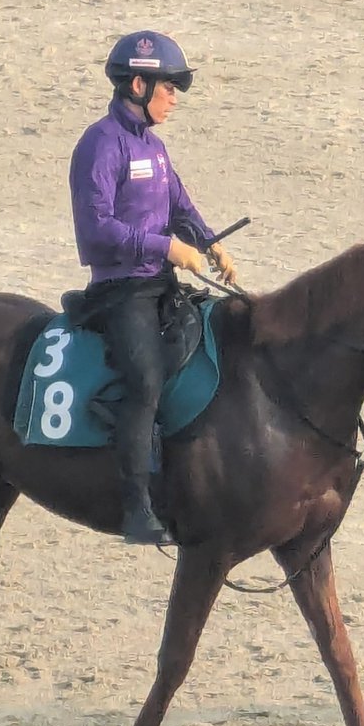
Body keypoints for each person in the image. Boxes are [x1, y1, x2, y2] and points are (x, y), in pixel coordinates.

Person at [69, 30, 238, 545]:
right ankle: (135, 507)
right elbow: (96, 228)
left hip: (159, 283)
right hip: (120, 289)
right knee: (144, 379)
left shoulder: (155, 148)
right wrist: (166, 248)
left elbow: (180, 206)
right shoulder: (100, 144)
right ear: (138, 84)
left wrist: (211, 244)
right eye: (168, 87)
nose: (175, 98)